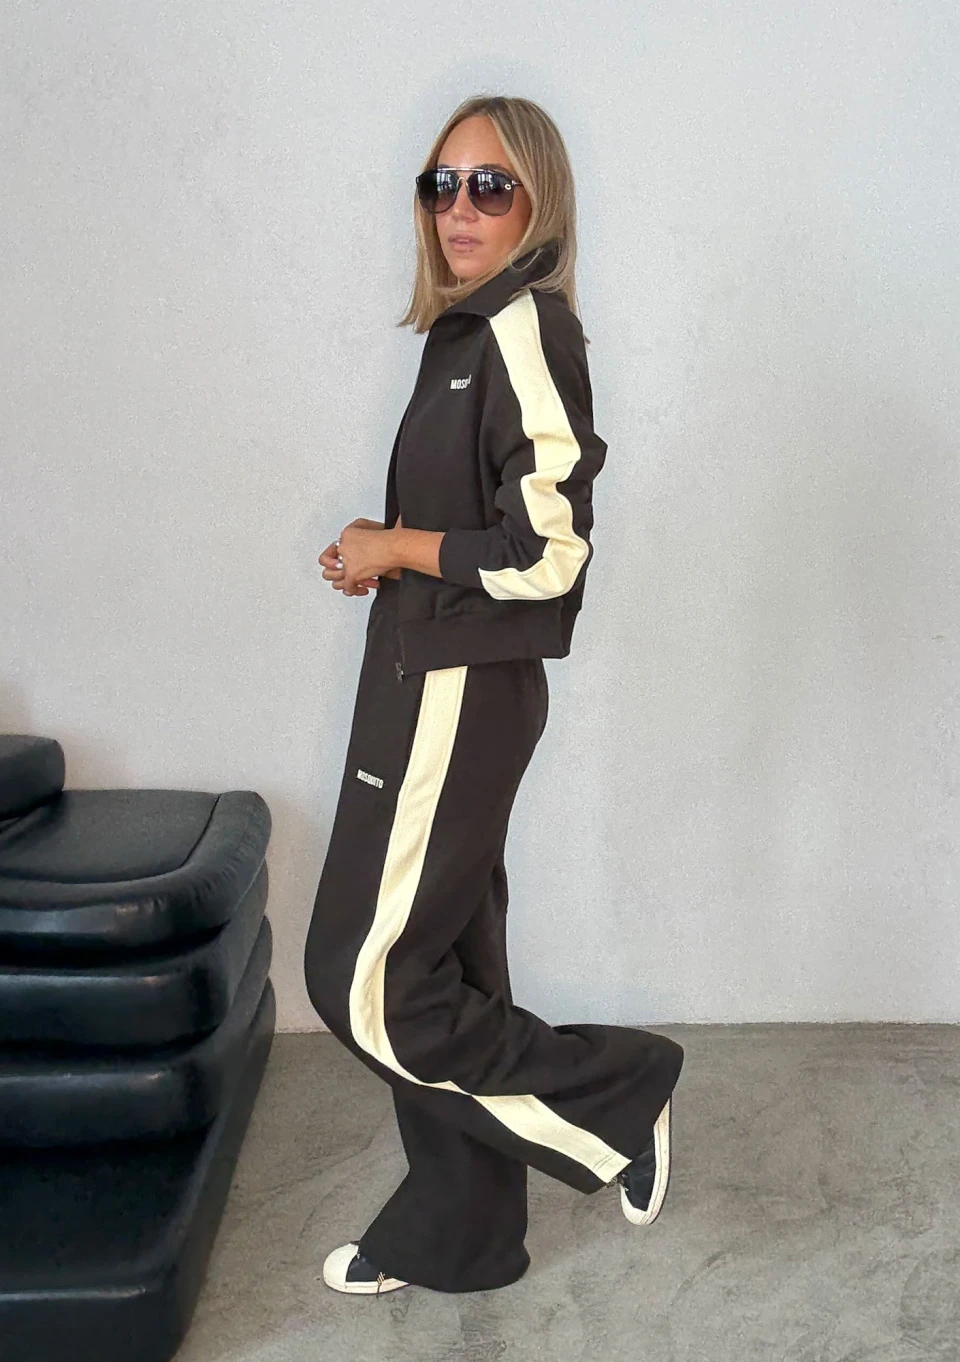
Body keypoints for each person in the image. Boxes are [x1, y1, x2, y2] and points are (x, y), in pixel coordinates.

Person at [303, 94, 684, 1298]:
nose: (457, 209)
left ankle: (617, 1093)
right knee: (447, 966)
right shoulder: (464, 332)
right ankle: (461, 1237)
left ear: (538, 203)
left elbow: (552, 552)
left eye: (490, 186)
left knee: (365, 980)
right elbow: (480, 528)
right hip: (423, 672)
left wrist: (400, 547)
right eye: (441, 184)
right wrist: (384, 557)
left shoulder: (526, 328)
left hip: (457, 693)